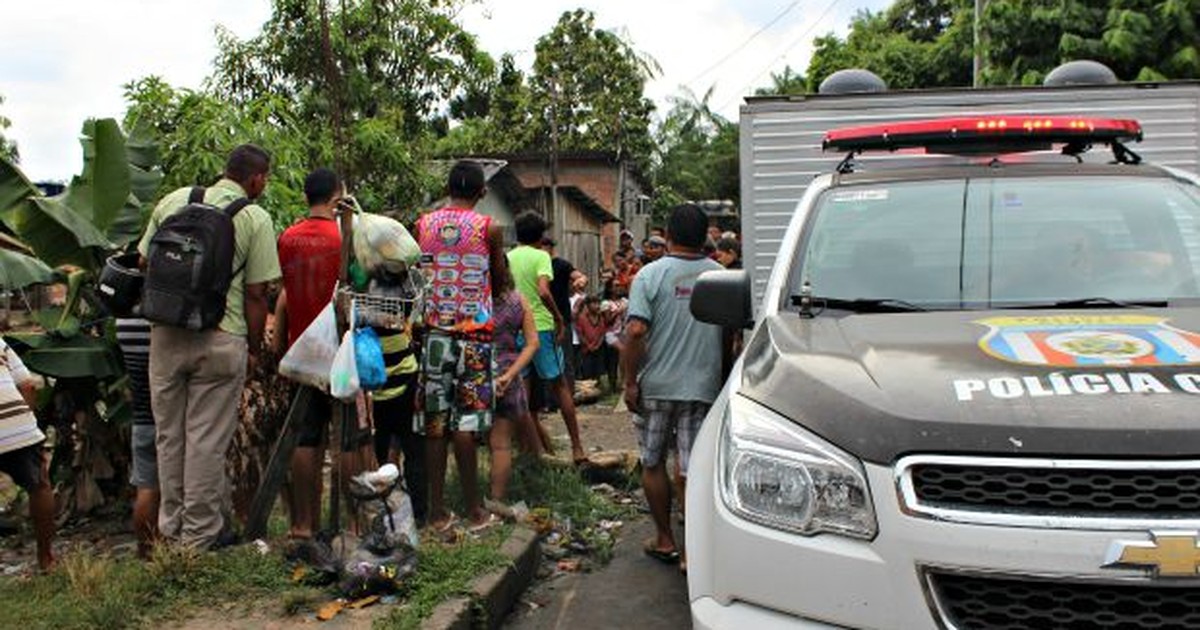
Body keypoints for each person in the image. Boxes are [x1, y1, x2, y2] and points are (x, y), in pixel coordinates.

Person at [139, 144, 280, 549]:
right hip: (222, 336)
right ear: (255, 178)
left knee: (170, 436)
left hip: (166, 333)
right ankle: (197, 541)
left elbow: (145, 262)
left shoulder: (174, 200)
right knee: (206, 440)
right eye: (264, 179)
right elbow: (257, 295)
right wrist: (254, 349)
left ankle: (173, 530)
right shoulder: (253, 217)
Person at [623, 203, 724, 573]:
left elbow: (635, 331)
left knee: (652, 462)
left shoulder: (649, 275)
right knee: (691, 468)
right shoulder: (721, 275)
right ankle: (691, 552)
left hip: (658, 386)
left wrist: (630, 381)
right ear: (705, 237)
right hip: (703, 386)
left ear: (666, 234)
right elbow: (732, 336)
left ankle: (665, 538)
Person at [274, 168, 370, 542]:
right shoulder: (345, 237)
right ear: (337, 198)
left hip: (302, 350)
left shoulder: (288, 238)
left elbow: (283, 292)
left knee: (306, 437)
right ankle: (354, 523)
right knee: (347, 438)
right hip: (341, 352)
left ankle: (303, 525)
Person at [415, 160, 505, 532]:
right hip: (475, 335)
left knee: (435, 422)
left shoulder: (423, 223)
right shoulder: (489, 227)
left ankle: (436, 511)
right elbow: (499, 278)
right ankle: (474, 509)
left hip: (434, 333)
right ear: (482, 191)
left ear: (448, 188)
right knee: (466, 422)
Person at [507, 212, 588, 464]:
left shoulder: (507, 257)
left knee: (523, 392)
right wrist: (558, 317)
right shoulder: (542, 256)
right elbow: (543, 291)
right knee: (560, 386)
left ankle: (531, 452)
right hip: (541, 327)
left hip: (515, 329)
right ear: (541, 237)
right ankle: (577, 448)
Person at [488, 252, 543, 504]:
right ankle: (496, 502)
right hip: (505, 374)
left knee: (463, 437)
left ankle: (467, 500)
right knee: (501, 444)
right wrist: (510, 374)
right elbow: (532, 343)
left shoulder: (471, 301)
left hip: (472, 372)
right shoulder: (517, 301)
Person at [0, 340, 53, 570]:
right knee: (39, 487)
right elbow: (28, 385)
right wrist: (27, 424)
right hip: (17, 426)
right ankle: (45, 559)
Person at [116, 316, 157, 558]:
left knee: (147, 486)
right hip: (170, 418)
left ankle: (145, 551)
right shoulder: (164, 320)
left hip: (142, 417)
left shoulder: (123, 323)